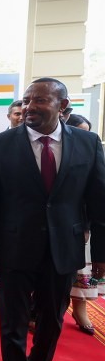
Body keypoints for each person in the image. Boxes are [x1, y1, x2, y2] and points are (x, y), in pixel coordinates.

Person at [0, 77, 105, 361]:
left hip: (63, 248)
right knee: (12, 323)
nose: (30, 106)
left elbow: (99, 203)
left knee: (52, 320)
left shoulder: (89, 144)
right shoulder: (0, 145)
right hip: (13, 249)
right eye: (28, 100)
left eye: (41, 101)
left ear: (63, 107)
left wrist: (102, 255)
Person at [66, 113, 98, 336]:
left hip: (80, 224)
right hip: (45, 225)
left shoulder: (92, 149)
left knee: (80, 272)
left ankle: (80, 309)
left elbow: (95, 194)